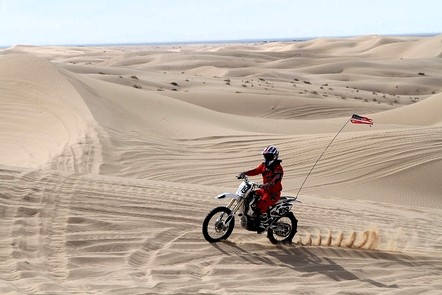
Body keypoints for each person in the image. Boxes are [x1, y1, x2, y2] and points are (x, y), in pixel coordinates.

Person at [239, 145, 283, 233]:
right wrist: (245, 173)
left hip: (273, 193)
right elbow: (255, 171)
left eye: (268, 156)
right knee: (250, 195)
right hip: (264, 191)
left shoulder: (278, 168)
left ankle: (263, 224)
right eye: (265, 156)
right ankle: (247, 214)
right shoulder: (263, 166)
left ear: (274, 157)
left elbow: (277, 178)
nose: (266, 158)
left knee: (261, 204)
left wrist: (269, 184)